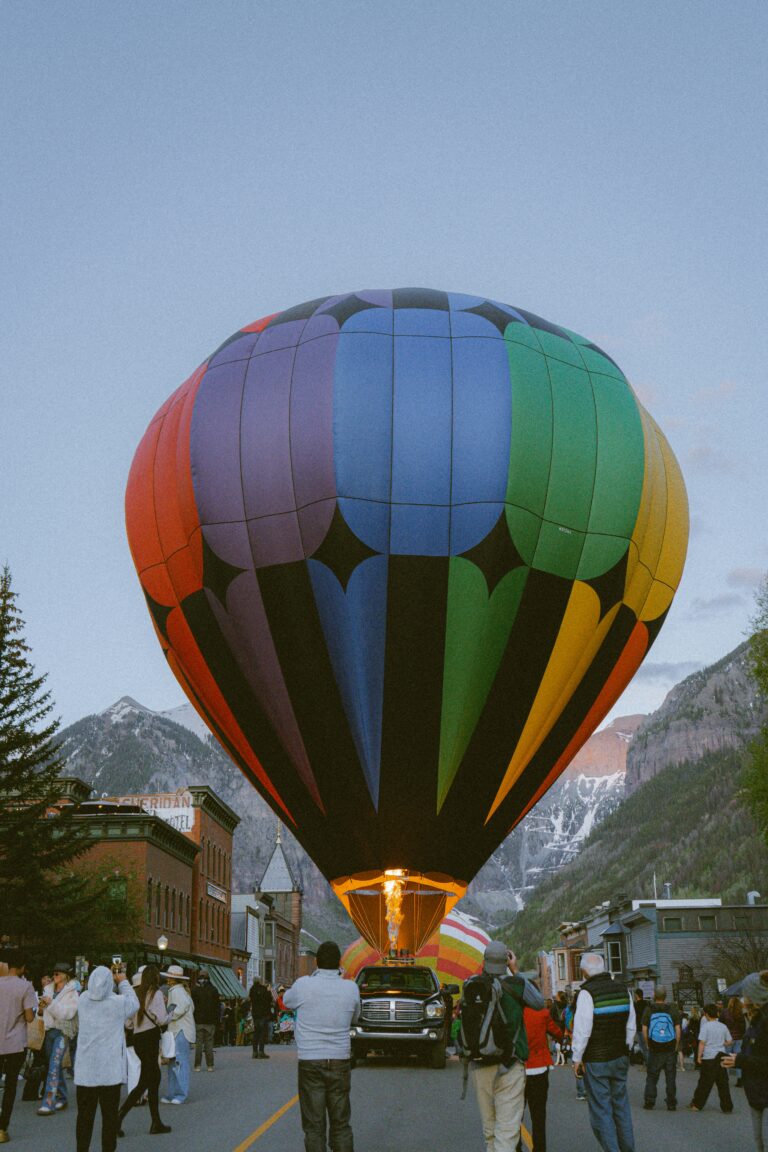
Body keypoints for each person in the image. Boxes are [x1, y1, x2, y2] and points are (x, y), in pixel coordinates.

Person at [282, 940, 361, 1152]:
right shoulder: (351, 988)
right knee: (341, 1123)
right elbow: (356, 1017)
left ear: (316, 961)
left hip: (310, 1060)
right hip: (339, 1058)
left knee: (314, 1125)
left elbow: (286, 1001)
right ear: (339, 962)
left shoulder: (303, 985)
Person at [466, 942, 544, 1152]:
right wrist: (515, 970)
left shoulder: (472, 985)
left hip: (480, 1065)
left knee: (490, 1129)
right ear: (506, 960)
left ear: (484, 961)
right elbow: (539, 1002)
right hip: (511, 1065)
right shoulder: (516, 985)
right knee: (507, 1130)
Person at [571, 952, 636, 1152]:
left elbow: (583, 1030)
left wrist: (577, 1058)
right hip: (620, 1055)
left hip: (596, 1059)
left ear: (584, 971)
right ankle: (628, 1148)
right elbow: (631, 1025)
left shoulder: (586, 993)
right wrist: (626, 1048)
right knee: (621, 1107)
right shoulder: (623, 989)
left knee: (601, 1110)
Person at [74, 964, 139, 1152]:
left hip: (86, 1071)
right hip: (110, 1072)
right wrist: (123, 981)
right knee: (109, 1119)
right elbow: (135, 1004)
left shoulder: (83, 1000)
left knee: (84, 1118)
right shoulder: (118, 1003)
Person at [118, 964, 171, 1136]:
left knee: (151, 1079)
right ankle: (118, 1119)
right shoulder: (156, 994)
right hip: (150, 1038)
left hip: (138, 1039)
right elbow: (162, 1020)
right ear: (155, 977)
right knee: (147, 1081)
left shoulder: (136, 994)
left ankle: (156, 1122)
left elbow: (128, 1023)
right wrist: (170, 1014)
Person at [722, 971, 768, 1150]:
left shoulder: (764, 1022)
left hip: (763, 1091)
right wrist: (738, 1059)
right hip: (757, 1092)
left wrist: (740, 1060)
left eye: (745, 993)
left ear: (754, 995)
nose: (742, 998)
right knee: (760, 1143)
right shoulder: (755, 1020)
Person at [0, 951, 37, 1143]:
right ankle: (2, 1128)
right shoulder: (25, 986)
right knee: (11, 1085)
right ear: (22, 967)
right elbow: (29, 1017)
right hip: (15, 1043)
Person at [517, 1000, 562, 1152]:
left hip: (518, 1068)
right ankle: (539, 1149)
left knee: (515, 1115)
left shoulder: (515, 1012)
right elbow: (556, 1032)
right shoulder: (542, 1012)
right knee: (538, 1116)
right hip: (539, 1067)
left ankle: (516, 1147)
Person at [38, 960, 79, 1116]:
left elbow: (68, 1014)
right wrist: (41, 1008)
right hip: (49, 1030)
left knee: (54, 1064)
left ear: (66, 976)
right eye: (54, 973)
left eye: (58, 973)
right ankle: (62, 1096)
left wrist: (51, 1004)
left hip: (63, 1032)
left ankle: (48, 1102)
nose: (54, 975)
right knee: (52, 1064)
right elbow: (44, 1013)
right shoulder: (48, 989)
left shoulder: (73, 993)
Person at [160, 965, 195, 1106]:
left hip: (179, 1030)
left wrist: (168, 1016)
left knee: (177, 1062)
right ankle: (174, 1094)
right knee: (177, 1062)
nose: (168, 979)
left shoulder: (176, 991)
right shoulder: (181, 991)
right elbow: (188, 1006)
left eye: (169, 977)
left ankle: (178, 1094)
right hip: (181, 1030)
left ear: (173, 979)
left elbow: (180, 1008)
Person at [641, 986, 681, 1111]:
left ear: (654, 995)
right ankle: (671, 1103)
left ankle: (649, 1101)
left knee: (652, 1076)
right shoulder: (672, 1009)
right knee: (670, 1077)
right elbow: (678, 1029)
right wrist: (676, 1045)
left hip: (655, 1047)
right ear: (665, 996)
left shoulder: (649, 1009)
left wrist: (647, 1044)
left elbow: (644, 1029)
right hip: (670, 1047)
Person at [689, 1002, 733, 1112]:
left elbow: (702, 1043)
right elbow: (729, 1041)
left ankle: (697, 1104)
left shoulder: (706, 1026)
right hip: (721, 1055)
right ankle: (727, 1107)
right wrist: (722, 1043)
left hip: (709, 1057)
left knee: (704, 1083)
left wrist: (699, 1056)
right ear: (717, 1013)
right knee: (723, 1083)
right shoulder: (723, 1026)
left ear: (707, 1014)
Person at [191, 969, 219, 1072]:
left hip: (198, 1020)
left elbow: (192, 1006)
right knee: (209, 1043)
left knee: (199, 1043)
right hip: (210, 1021)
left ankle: (197, 1065)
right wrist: (217, 1021)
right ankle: (210, 1065)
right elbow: (217, 1007)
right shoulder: (214, 990)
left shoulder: (195, 990)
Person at [723, 995, 747, 1082]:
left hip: (728, 1038)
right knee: (738, 1058)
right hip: (739, 1038)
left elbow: (721, 1024)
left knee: (726, 1058)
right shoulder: (741, 1012)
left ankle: (725, 1077)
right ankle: (739, 1078)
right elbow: (743, 1027)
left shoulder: (725, 1012)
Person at [249, 977, 274, 1059]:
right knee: (262, 1033)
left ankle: (254, 1052)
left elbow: (251, 1000)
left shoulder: (252, 990)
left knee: (256, 1033)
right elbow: (269, 999)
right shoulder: (264, 989)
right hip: (263, 1014)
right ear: (260, 981)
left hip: (255, 1014)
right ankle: (261, 1052)